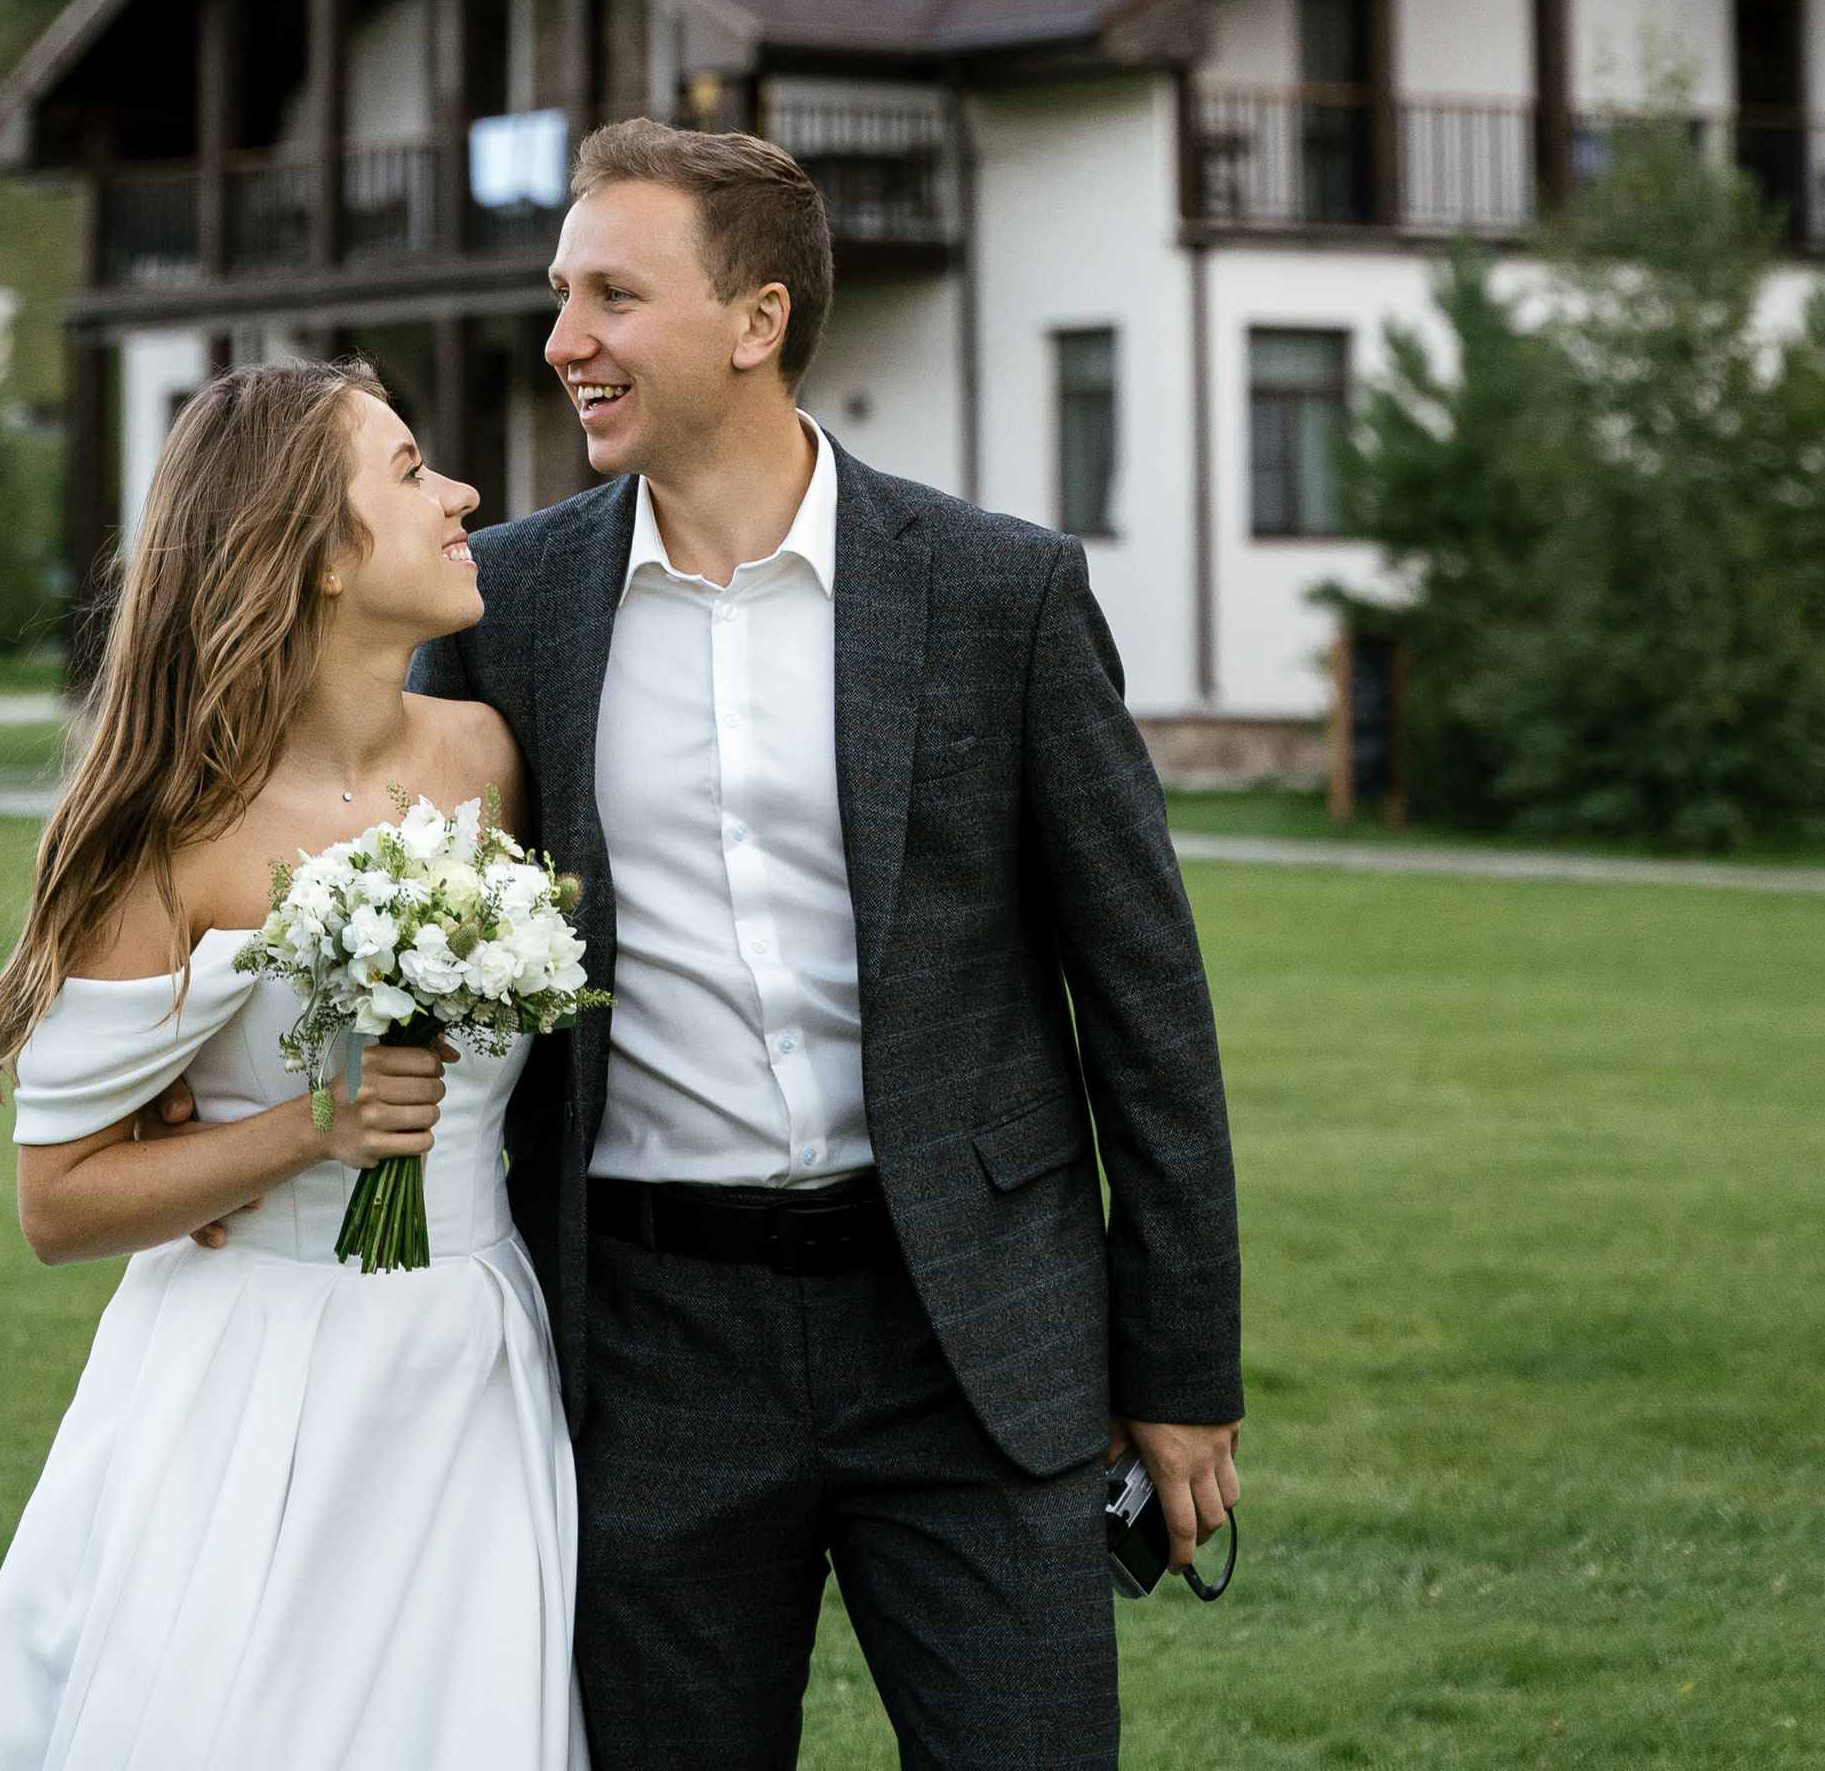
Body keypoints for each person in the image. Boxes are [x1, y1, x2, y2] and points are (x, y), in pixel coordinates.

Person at [413, 116, 1243, 1771]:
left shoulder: (998, 592)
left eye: (611, 297)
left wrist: (1180, 1367)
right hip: (648, 1351)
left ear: (757, 317)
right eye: (559, 296)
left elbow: (1143, 1000)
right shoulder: (505, 612)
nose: (564, 341)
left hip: (972, 1336)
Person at [0, 357, 585, 1771]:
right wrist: (312, 1128)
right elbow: (58, 1203)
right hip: (260, 1378)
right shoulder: (177, 830)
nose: (462, 493)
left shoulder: (490, 756)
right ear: (318, 553)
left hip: (475, 1351)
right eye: (412, 471)